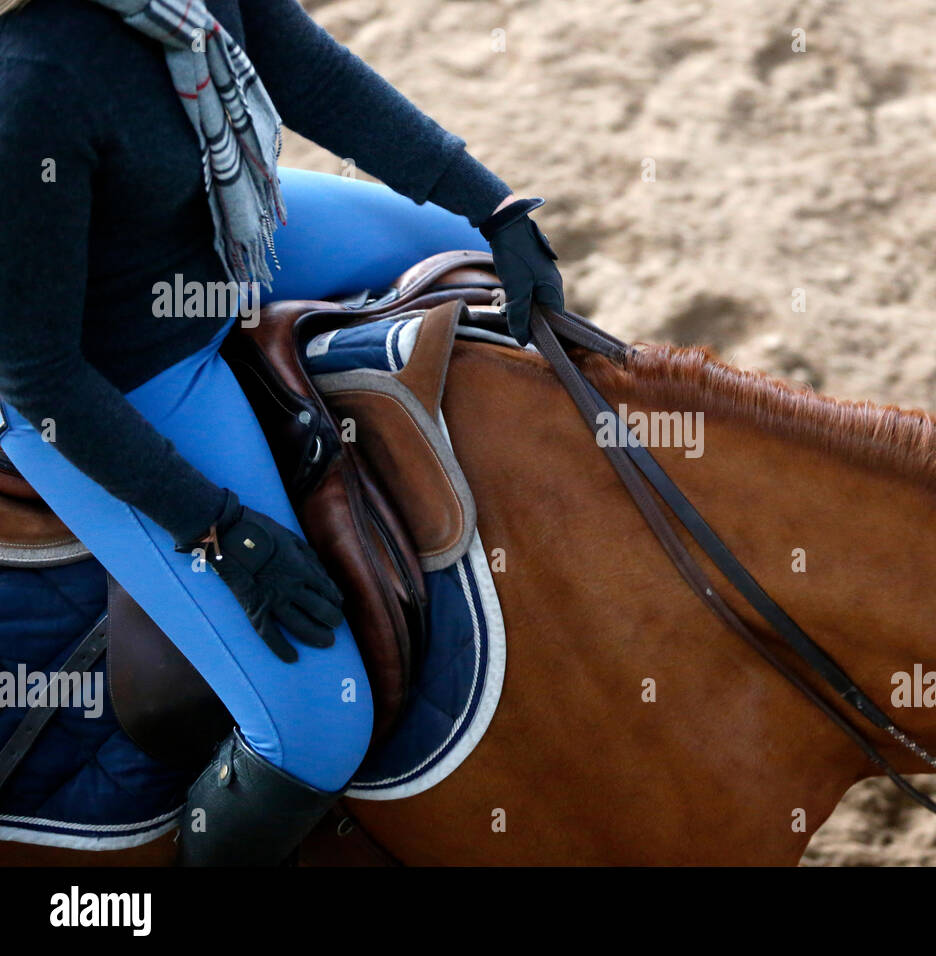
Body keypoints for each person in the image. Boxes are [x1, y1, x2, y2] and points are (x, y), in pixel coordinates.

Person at [0, 0, 563, 865]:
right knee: (319, 726)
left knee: (462, 250)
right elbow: (37, 375)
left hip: (226, 235)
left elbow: (316, 79)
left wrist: (494, 205)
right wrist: (217, 526)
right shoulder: (30, 80)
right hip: (115, 369)